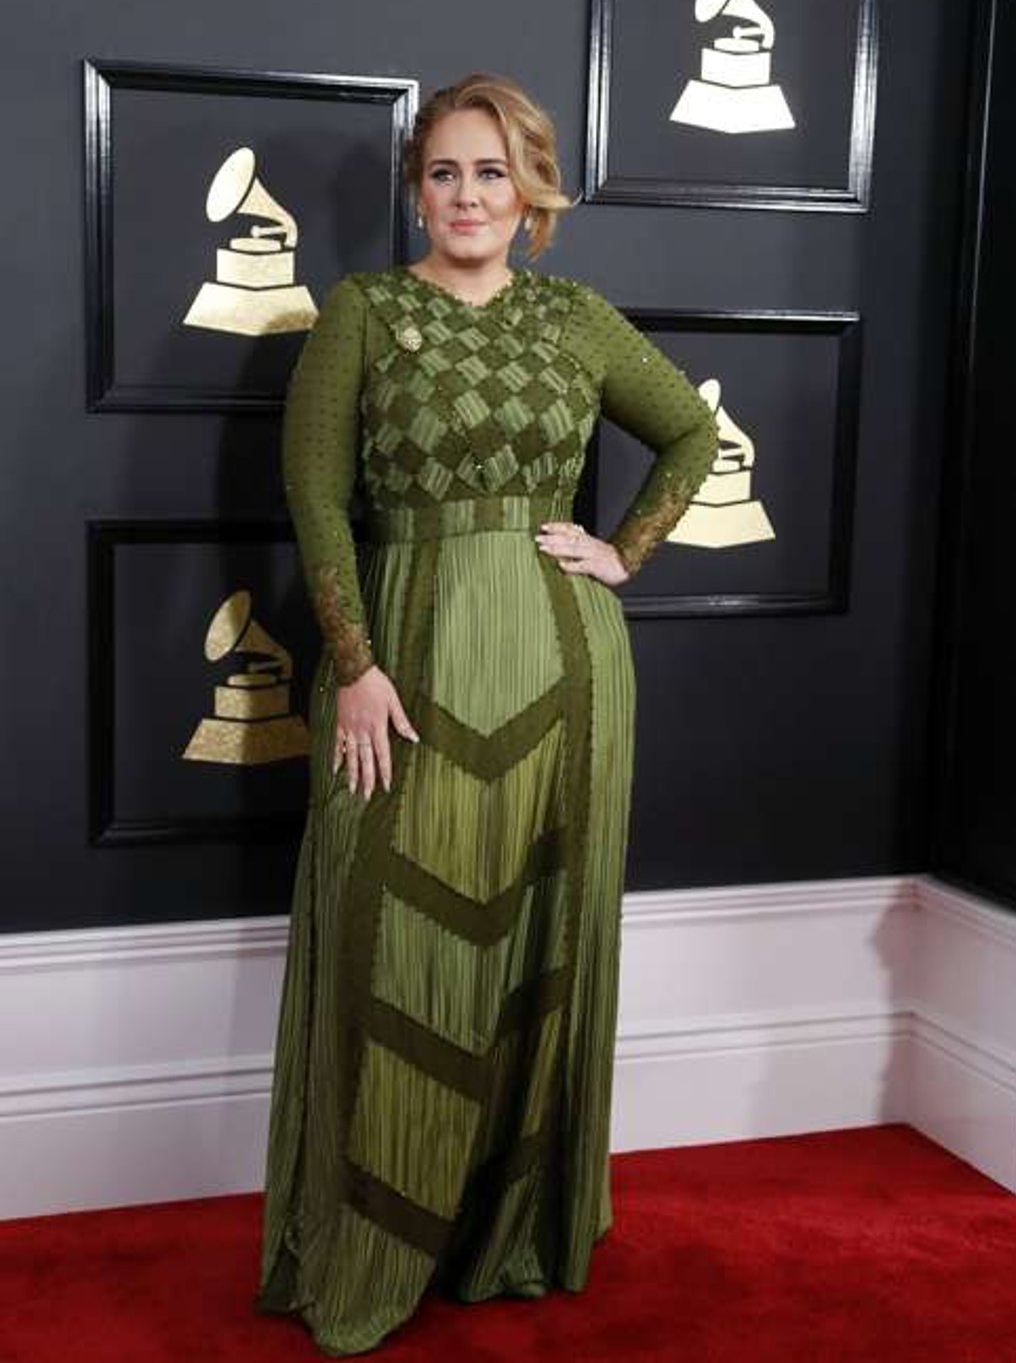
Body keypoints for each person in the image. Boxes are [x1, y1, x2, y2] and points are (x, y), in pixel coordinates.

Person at [256, 71, 718, 1355]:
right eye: (447, 172)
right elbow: (315, 501)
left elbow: (688, 434)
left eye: (493, 174)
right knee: (388, 942)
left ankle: (505, 1238)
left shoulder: (575, 320)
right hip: (399, 666)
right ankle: (371, 1242)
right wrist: (350, 660)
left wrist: (623, 550)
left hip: (566, 670)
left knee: (538, 945)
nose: (469, 196)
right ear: (417, 186)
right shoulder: (362, 311)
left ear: (532, 195)